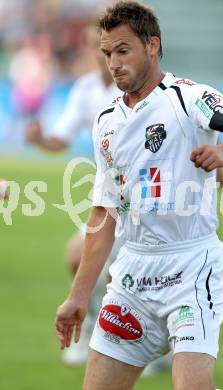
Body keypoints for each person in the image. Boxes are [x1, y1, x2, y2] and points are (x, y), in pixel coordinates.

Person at [55, 2, 223, 389]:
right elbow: (103, 216)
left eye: (123, 51)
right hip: (132, 278)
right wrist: (77, 297)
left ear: (152, 46)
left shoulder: (189, 98)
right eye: (107, 53)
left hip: (191, 270)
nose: (113, 63)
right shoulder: (105, 122)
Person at [25, 26, 122, 366]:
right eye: (99, 49)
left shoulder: (140, 88)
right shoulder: (86, 90)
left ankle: (153, 343)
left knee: (121, 275)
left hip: (142, 201)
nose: (104, 57)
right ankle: (94, 328)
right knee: (77, 257)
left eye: (113, 49)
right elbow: (61, 138)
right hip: (109, 198)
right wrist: (40, 140)